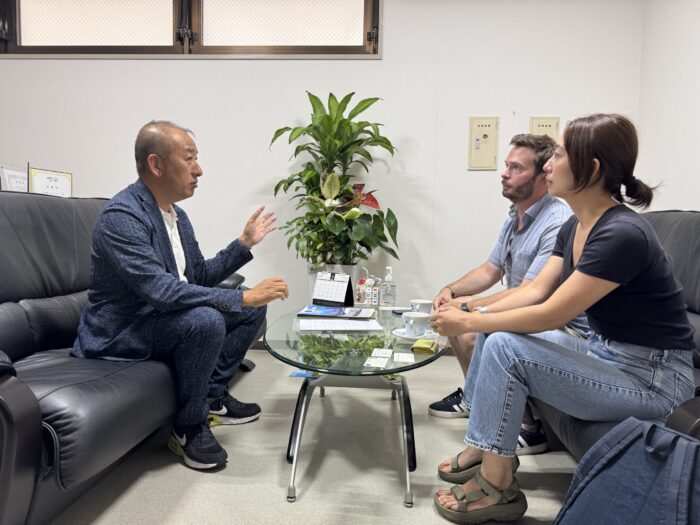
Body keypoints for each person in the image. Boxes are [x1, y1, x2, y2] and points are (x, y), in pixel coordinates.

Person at [430, 113, 695, 523]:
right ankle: (486, 450)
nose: (548, 166)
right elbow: (536, 291)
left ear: (592, 168)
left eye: (558, 155)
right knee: (494, 333)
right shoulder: (575, 225)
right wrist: (470, 311)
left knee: (504, 344)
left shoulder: (621, 234)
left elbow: (553, 312)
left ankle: (497, 486)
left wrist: (467, 321)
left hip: (654, 381)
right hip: (608, 356)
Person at [72, 120, 289, 471]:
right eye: (189, 159)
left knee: (251, 309)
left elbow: (197, 275)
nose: (199, 169)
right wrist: (240, 299)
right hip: (122, 331)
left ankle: (213, 397)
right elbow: (162, 291)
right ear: (156, 165)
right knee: (208, 318)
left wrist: (243, 244)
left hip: (159, 319)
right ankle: (188, 427)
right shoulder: (122, 217)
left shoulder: (177, 215)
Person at [429, 134, 586, 451]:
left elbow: (534, 293)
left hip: (558, 320)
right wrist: (452, 291)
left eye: (516, 168)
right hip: (528, 305)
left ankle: (526, 426)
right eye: (506, 166)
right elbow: (491, 269)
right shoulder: (515, 215)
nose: (504, 173)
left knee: (477, 329)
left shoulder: (557, 220)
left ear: (542, 177)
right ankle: (476, 400)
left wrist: (469, 309)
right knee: (457, 313)